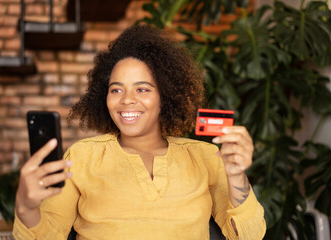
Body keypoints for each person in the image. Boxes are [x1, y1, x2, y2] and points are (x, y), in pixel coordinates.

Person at [13, 25, 266, 239]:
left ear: (164, 97)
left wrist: (236, 175)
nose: (127, 100)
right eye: (116, 89)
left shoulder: (206, 157)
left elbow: (250, 235)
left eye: (142, 89)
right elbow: (46, 234)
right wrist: (25, 206)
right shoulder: (81, 157)